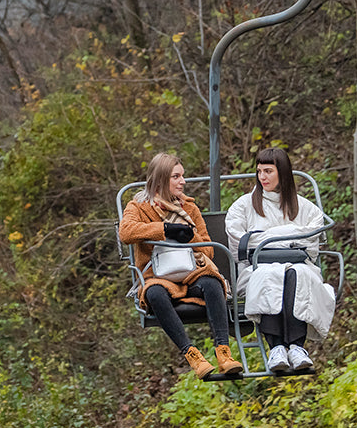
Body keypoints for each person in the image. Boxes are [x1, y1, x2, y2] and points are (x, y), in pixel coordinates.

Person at [118, 153, 243, 380]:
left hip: (191, 272)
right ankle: (192, 354)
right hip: (158, 275)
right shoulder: (138, 207)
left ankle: (223, 352)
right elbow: (126, 232)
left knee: (213, 283)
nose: (183, 182)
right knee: (154, 293)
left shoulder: (189, 209)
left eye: (182, 176)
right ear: (160, 180)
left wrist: (190, 237)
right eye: (176, 177)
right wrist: (165, 230)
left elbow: (209, 251)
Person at [225, 147, 337, 373]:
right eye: (259, 171)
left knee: (296, 273)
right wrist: (291, 234)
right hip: (255, 269)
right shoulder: (244, 205)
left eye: (268, 171)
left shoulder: (304, 207)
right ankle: (276, 347)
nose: (262, 177)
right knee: (270, 275)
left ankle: (296, 347)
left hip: (298, 268)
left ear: (282, 173)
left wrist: (265, 239)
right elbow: (240, 244)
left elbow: (311, 244)